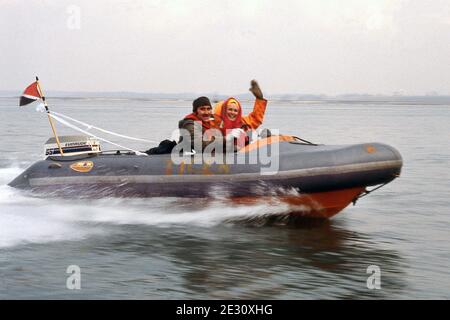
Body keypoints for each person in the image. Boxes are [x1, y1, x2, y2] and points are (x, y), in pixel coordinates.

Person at [178, 96, 243, 153]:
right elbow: (201, 145)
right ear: (195, 111)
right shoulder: (190, 124)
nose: (206, 112)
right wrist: (228, 138)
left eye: (208, 109)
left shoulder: (212, 121)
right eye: (202, 109)